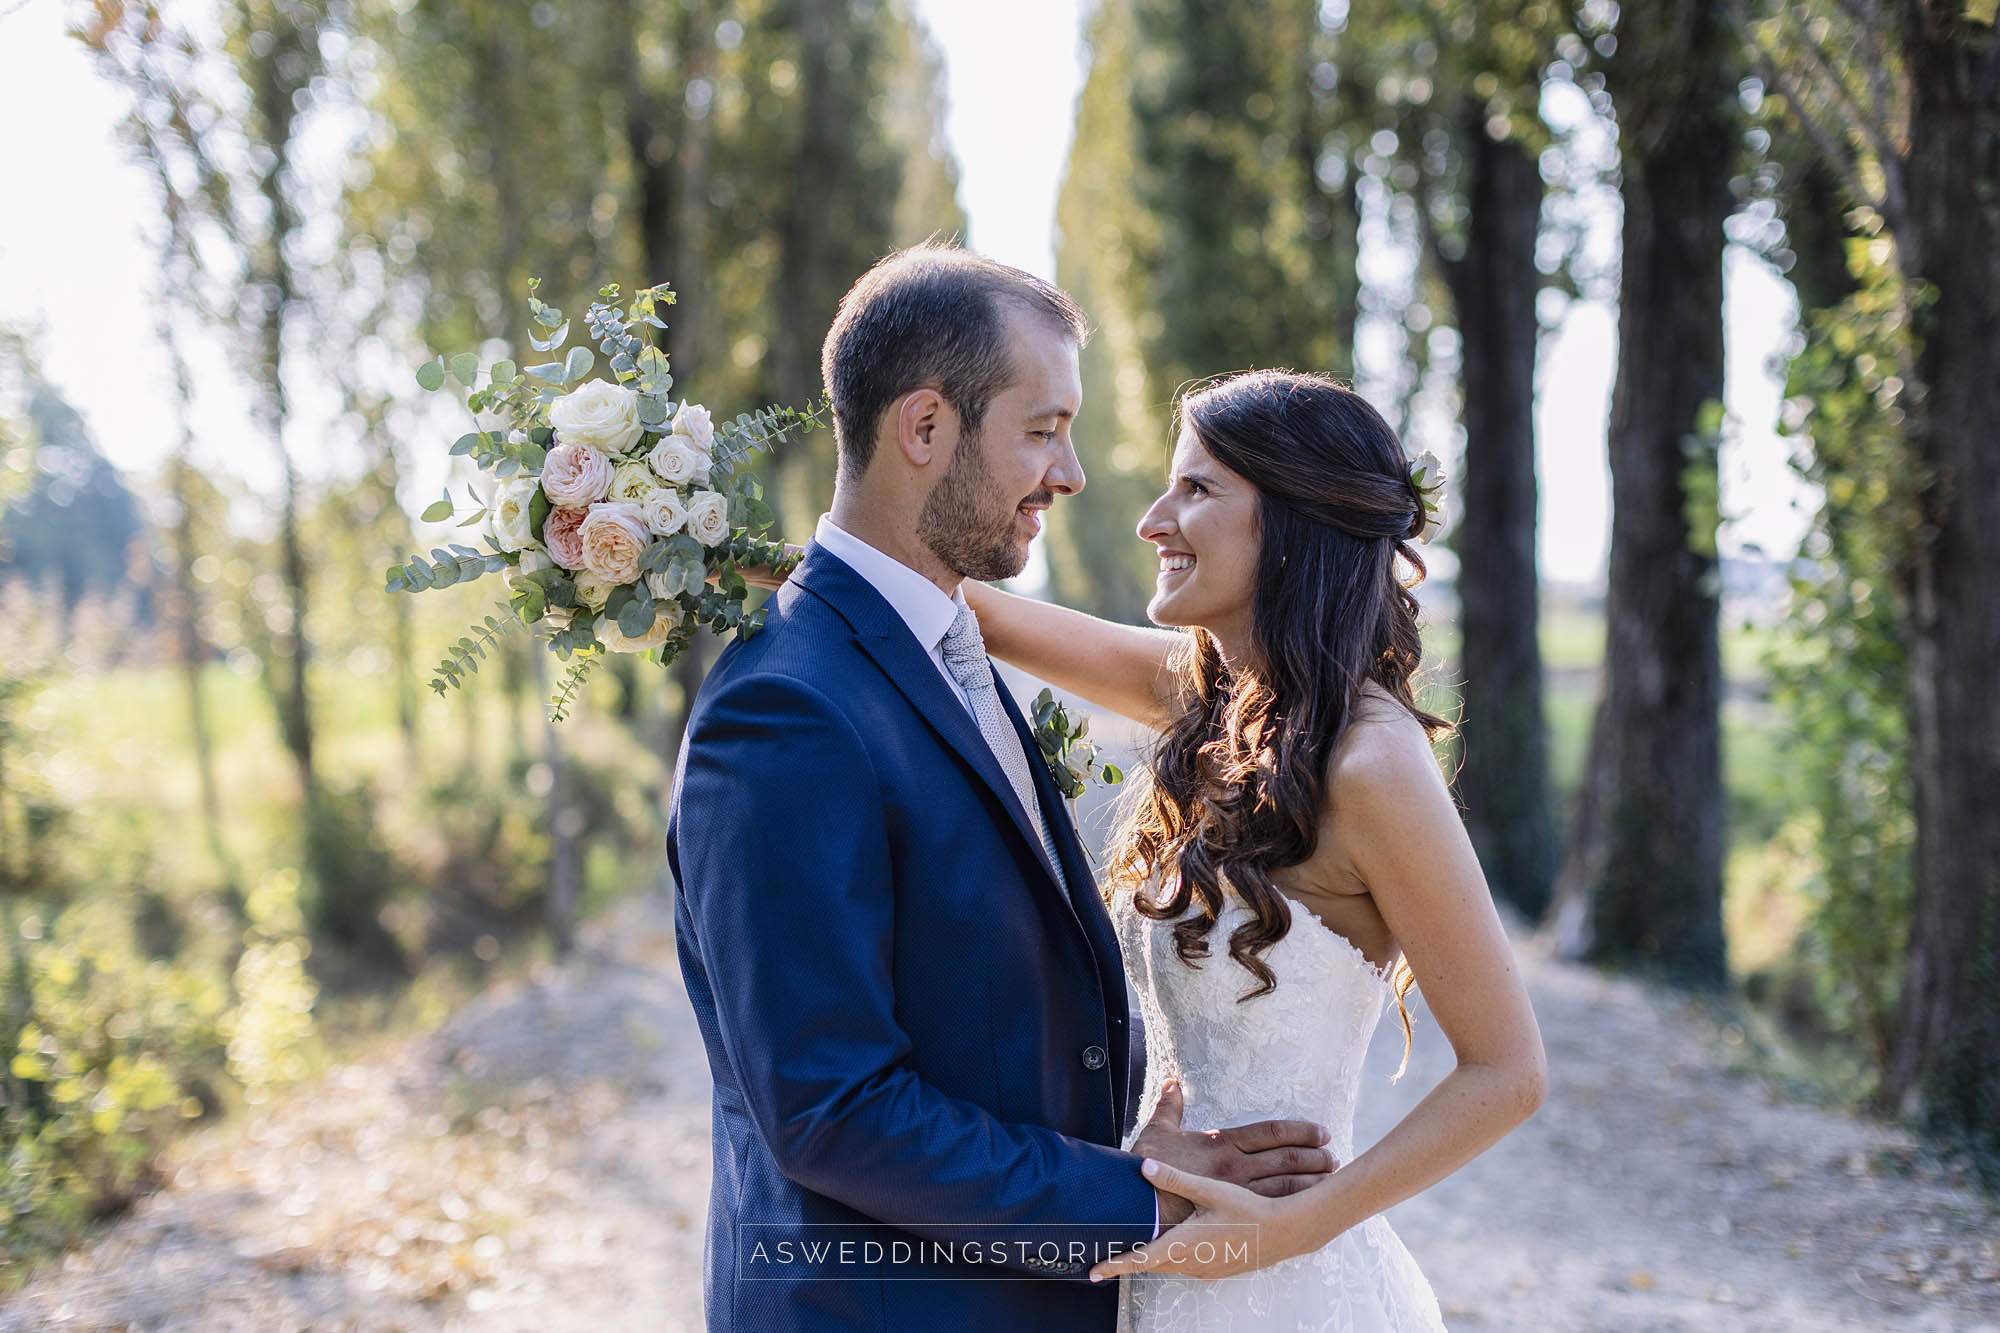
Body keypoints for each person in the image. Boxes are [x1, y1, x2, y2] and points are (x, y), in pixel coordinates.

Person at [667, 246, 1337, 1333]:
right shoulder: (786, 709)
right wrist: (1135, 1201)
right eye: (1042, 430)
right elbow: (833, 1110)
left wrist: (1136, 1150)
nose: (1069, 475)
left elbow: (984, 1010)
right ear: (924, 429)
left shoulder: (937, 647)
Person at [949, 369, 1550, 1330]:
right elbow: (969, 610)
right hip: (1176, 1266)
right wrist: (714, 542)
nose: (1153, 520)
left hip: (1293, 1289)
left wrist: (1293, 1229)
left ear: (1295, 523)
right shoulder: (1230, 710)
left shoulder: (1372, 761)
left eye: (1198, 488)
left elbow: (1508, 1071)